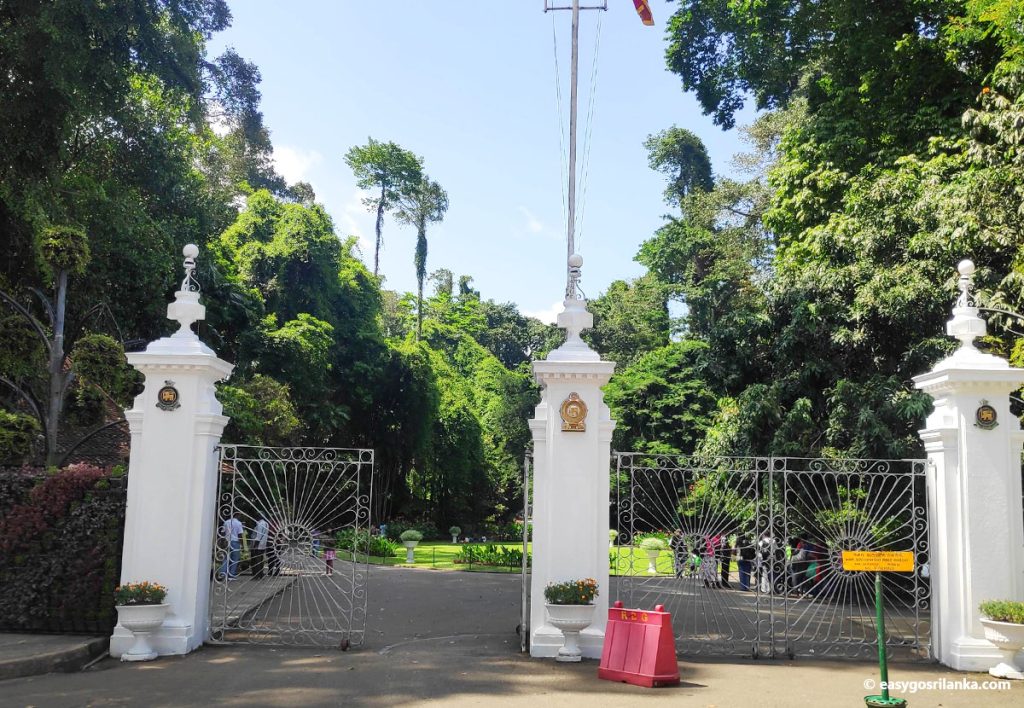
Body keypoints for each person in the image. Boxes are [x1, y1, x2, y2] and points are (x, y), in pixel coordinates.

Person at [219, 515, 243, 579]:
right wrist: (242, 543)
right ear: (237, 516)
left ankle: (223, 574)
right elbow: (240, 534)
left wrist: (222, 542)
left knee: (226, 558)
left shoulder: (226, 522)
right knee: (235, 559)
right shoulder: (239, 523)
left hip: (227, 541)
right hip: (235, 542)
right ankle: (231, 574)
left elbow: (223, 533)